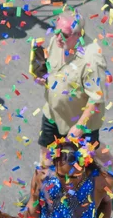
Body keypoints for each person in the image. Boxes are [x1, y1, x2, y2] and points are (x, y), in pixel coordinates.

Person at [29, 10, 105, 145]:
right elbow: (53, 69)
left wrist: (80, 126)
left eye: (64, 35)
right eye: (56, 32)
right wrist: (42, 77)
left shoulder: (92, 59)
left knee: (84, 161)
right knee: (45, 154)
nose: (58, 37)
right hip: (52, 114)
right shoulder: (56, 42)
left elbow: (96, 97)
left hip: (77, 123)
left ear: (78, 34)